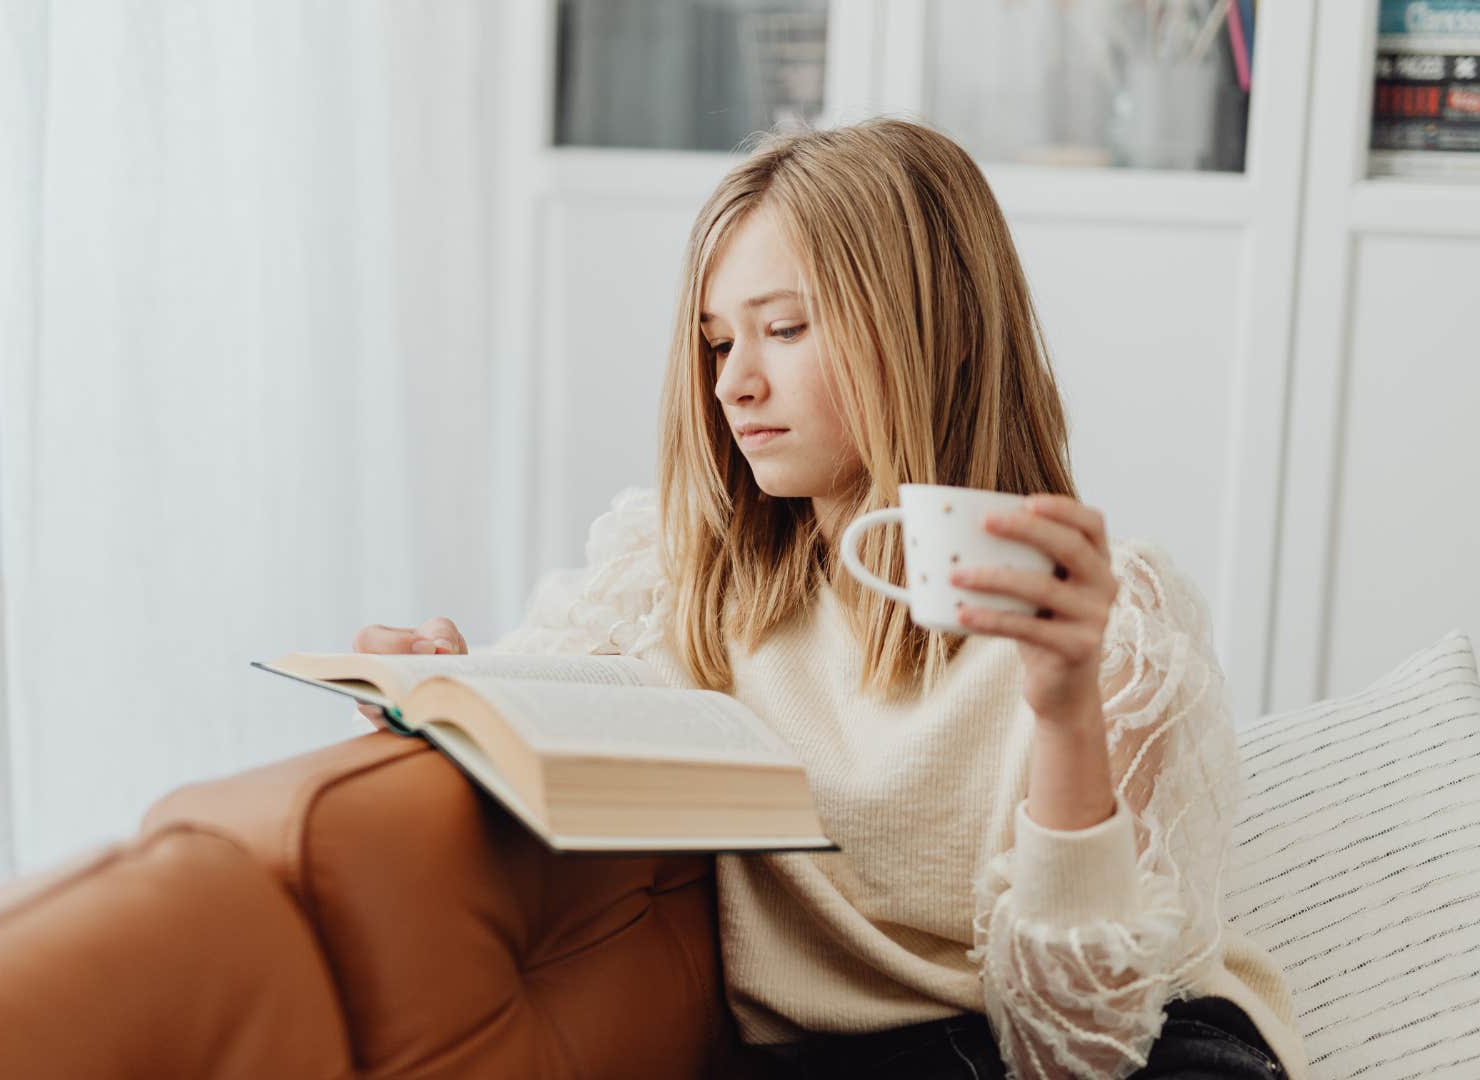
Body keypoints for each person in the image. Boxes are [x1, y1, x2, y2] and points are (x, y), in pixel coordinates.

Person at [351, 119, 1304, 1079]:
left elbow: (1078, 1052)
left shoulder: (1112, 618)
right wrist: (440, 680)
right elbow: (544, 702)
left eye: (786, 328)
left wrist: (1063, 710)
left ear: (948, 329)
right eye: (718, 342)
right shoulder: (682, 578)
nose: (734, 383)